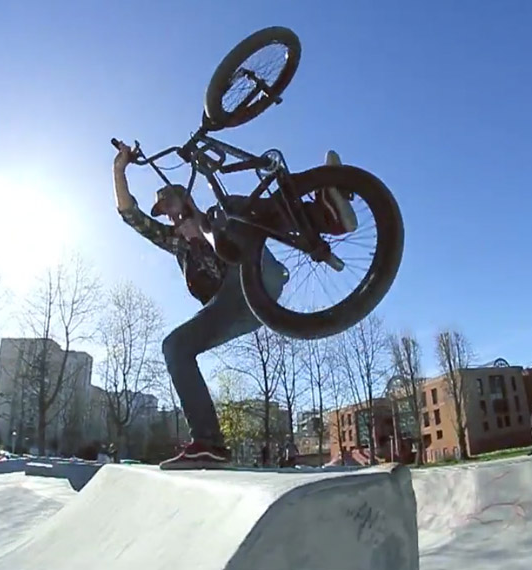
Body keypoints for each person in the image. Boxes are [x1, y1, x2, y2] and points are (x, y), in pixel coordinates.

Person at [112, 142, 357, 470]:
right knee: (175, 346)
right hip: (230, 309)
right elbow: (131, 215)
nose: (170, 215)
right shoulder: (174, 242)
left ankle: (325, 214)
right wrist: (119, 168)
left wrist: (203, 226)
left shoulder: (215, 218)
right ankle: (209, 444)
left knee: (234, 210)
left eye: (171, 205)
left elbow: (217, 218)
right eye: (165, 213)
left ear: (186, 199)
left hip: (256, 277)